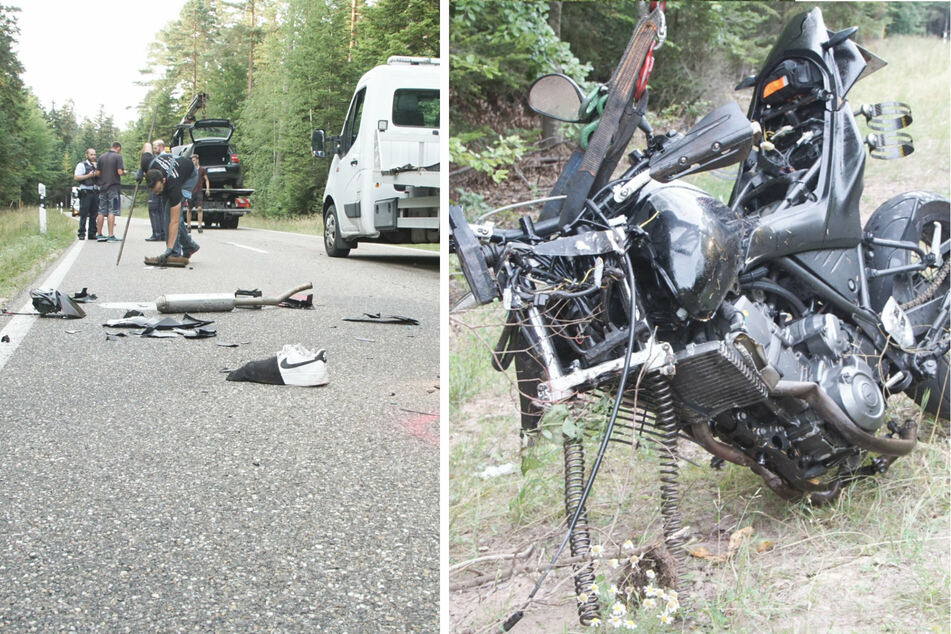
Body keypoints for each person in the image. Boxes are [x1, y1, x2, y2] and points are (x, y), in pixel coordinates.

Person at [141, 143, 200, 266]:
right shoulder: (147, 162)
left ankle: (174, 252)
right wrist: (140, 171)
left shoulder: (174, 185)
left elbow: (173, 221)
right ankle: (189, 246)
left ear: (163, 181)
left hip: (189, 177)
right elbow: (147, 145)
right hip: (169, 171)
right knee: (167, 212)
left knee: (170, 215)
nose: (156, 193)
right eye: (154, 191)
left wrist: (169, 248)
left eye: (158, 190)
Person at [95, 141, 125, 242]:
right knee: (112, 210)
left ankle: (99, 234)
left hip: (103, 187)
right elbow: (119, 172)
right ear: (118, 148)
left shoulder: (101, 157)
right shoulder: (117, 157)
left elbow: (98, 173)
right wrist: (124, 172)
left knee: (101, 211)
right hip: (114, 187)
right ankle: (111, 235)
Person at [72, 148, 99, 240]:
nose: (93, 156)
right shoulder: (82, 165)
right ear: (86, 155)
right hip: (86, 192)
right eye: (91, 154)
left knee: (94, 214)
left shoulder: (97, 165)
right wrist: (89, 175)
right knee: (84, 214)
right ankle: (82, 233)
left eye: (94, 154)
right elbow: (76, 177)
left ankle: (92, 233)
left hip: (95, 192)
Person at [186, 154, 209, 233]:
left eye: (194, 160)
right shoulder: (189, 170)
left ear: (197, 160)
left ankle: (199, 226)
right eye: (192, 160)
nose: (193, 162)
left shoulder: (202, 170)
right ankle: (188, 226)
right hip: (190, 191)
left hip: (198, 191)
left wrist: (207, 189)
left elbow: (206, 179)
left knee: (199, 208)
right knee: (189, 209)